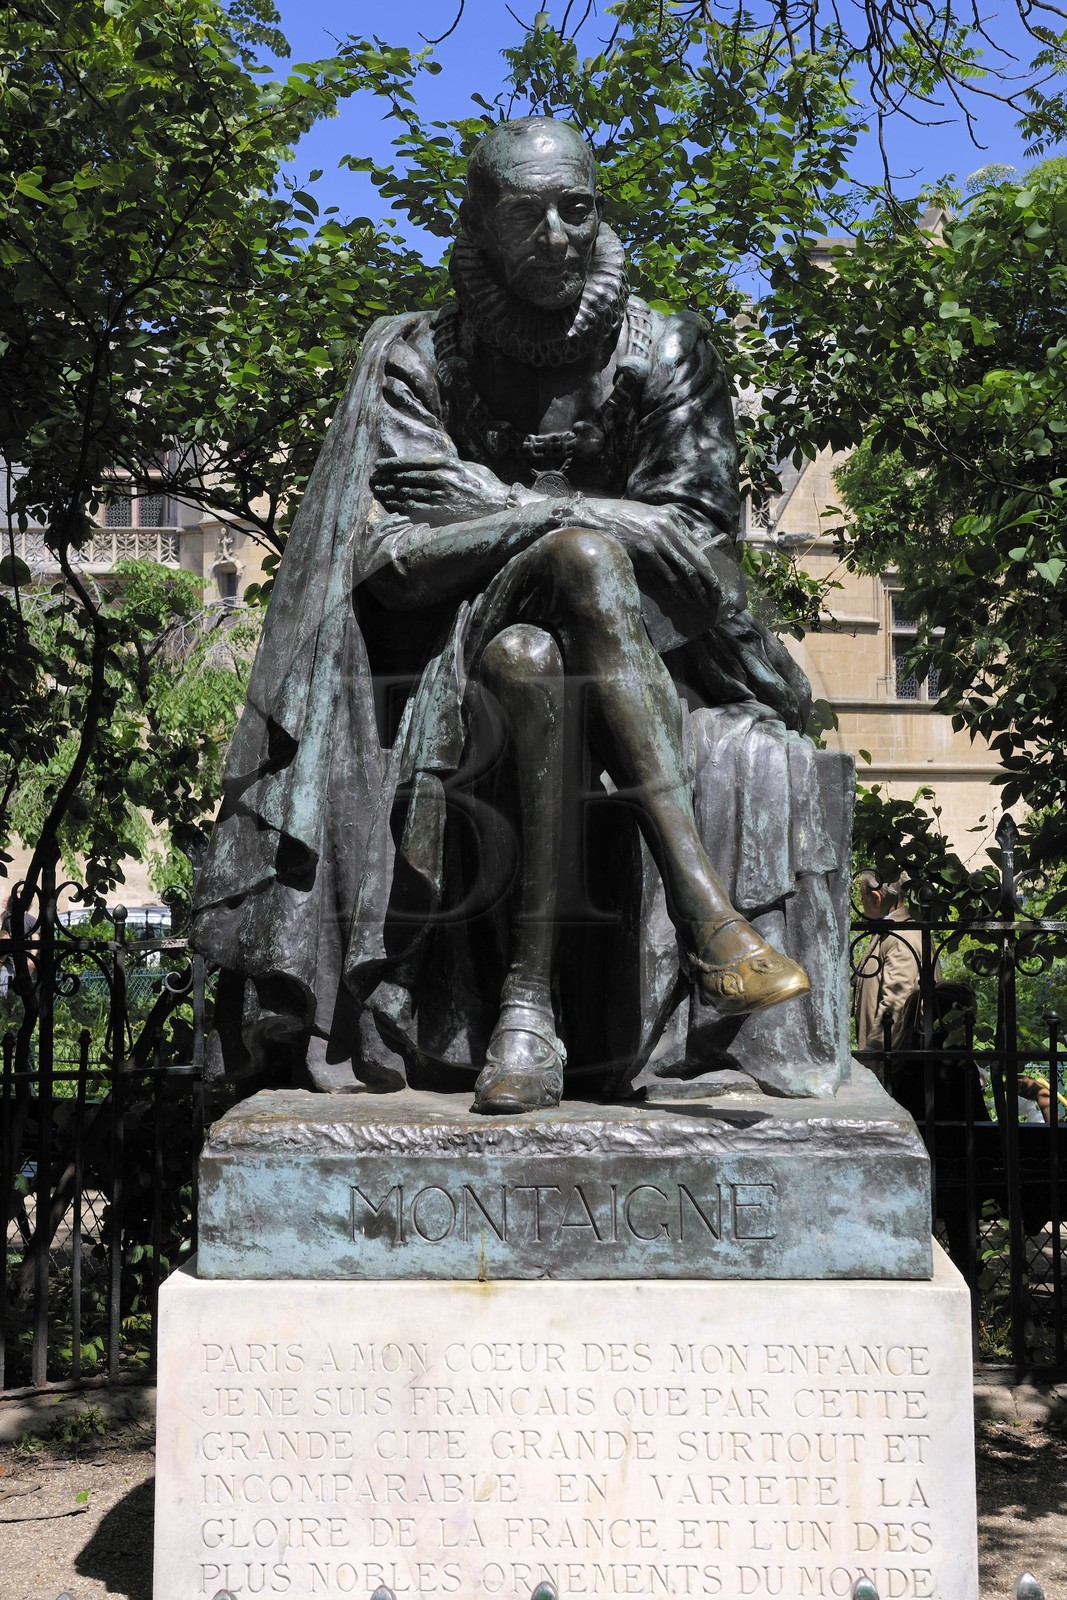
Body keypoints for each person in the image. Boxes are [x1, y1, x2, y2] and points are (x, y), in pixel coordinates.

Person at [193, 117, 850, 1110]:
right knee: (575, 564)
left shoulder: (667, 350)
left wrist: (490, 504)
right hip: (442, 647)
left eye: (575, 209)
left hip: (639, 650)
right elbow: (393, 561)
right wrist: (564, 517)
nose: (555, 235)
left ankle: (526, 1013)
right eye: (524, 213)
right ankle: (709, 917)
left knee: (533, 653)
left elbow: (697, 553)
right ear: (477, 224)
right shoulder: (419, 359)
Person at [853, 872, 928, 1058]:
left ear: (876, 897)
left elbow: (896, 1001)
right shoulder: (892, 931)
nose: (862, 903)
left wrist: (872, 1053)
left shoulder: (900, 936)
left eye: (862, 897)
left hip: (891, 1059)